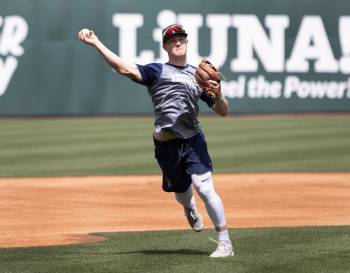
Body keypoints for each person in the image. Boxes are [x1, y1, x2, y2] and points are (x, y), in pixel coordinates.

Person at [78, 24, 234, 258]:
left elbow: (223, 111)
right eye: (172, 40)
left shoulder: (197, 76)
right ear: (165, 46)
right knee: (182, 193)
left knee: (205, 188)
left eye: (181, 38)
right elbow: (123, 69)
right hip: (165, 143)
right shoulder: (156, 71)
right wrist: (96, 43)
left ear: (187, 42)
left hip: (193, 140)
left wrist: (219, 94)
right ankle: (188, 207)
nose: (178, 42)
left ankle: (225, 243)